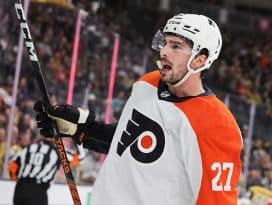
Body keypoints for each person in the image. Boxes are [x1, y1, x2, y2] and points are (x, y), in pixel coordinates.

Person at [34, 13, 243, 205]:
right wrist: (83, 129)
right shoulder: (148, 84)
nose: (164, 52)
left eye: (176, 46)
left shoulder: (217, 125)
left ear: (200, 60)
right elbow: (131, 146)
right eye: (165, 43)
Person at [9, 138, 60, 205]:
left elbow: (12, 166)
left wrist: (16, 178)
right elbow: (76, 158)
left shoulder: (28, 147)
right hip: (37, 191)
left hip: (20, 189)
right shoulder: (56, 152)